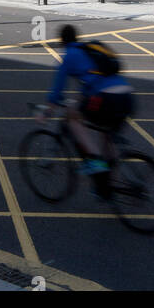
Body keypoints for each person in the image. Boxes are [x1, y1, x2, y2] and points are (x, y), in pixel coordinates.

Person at [41, 24, 134, 198]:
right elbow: (91, 84)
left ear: (62, 41)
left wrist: (47, 111)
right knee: (107, 135)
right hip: (127, 96)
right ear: (76, 38)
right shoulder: (90, 50)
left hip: (106, 98)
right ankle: (108, 188)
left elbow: (57, 90)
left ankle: (95, 159)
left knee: (72, 118)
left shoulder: (69, 55)